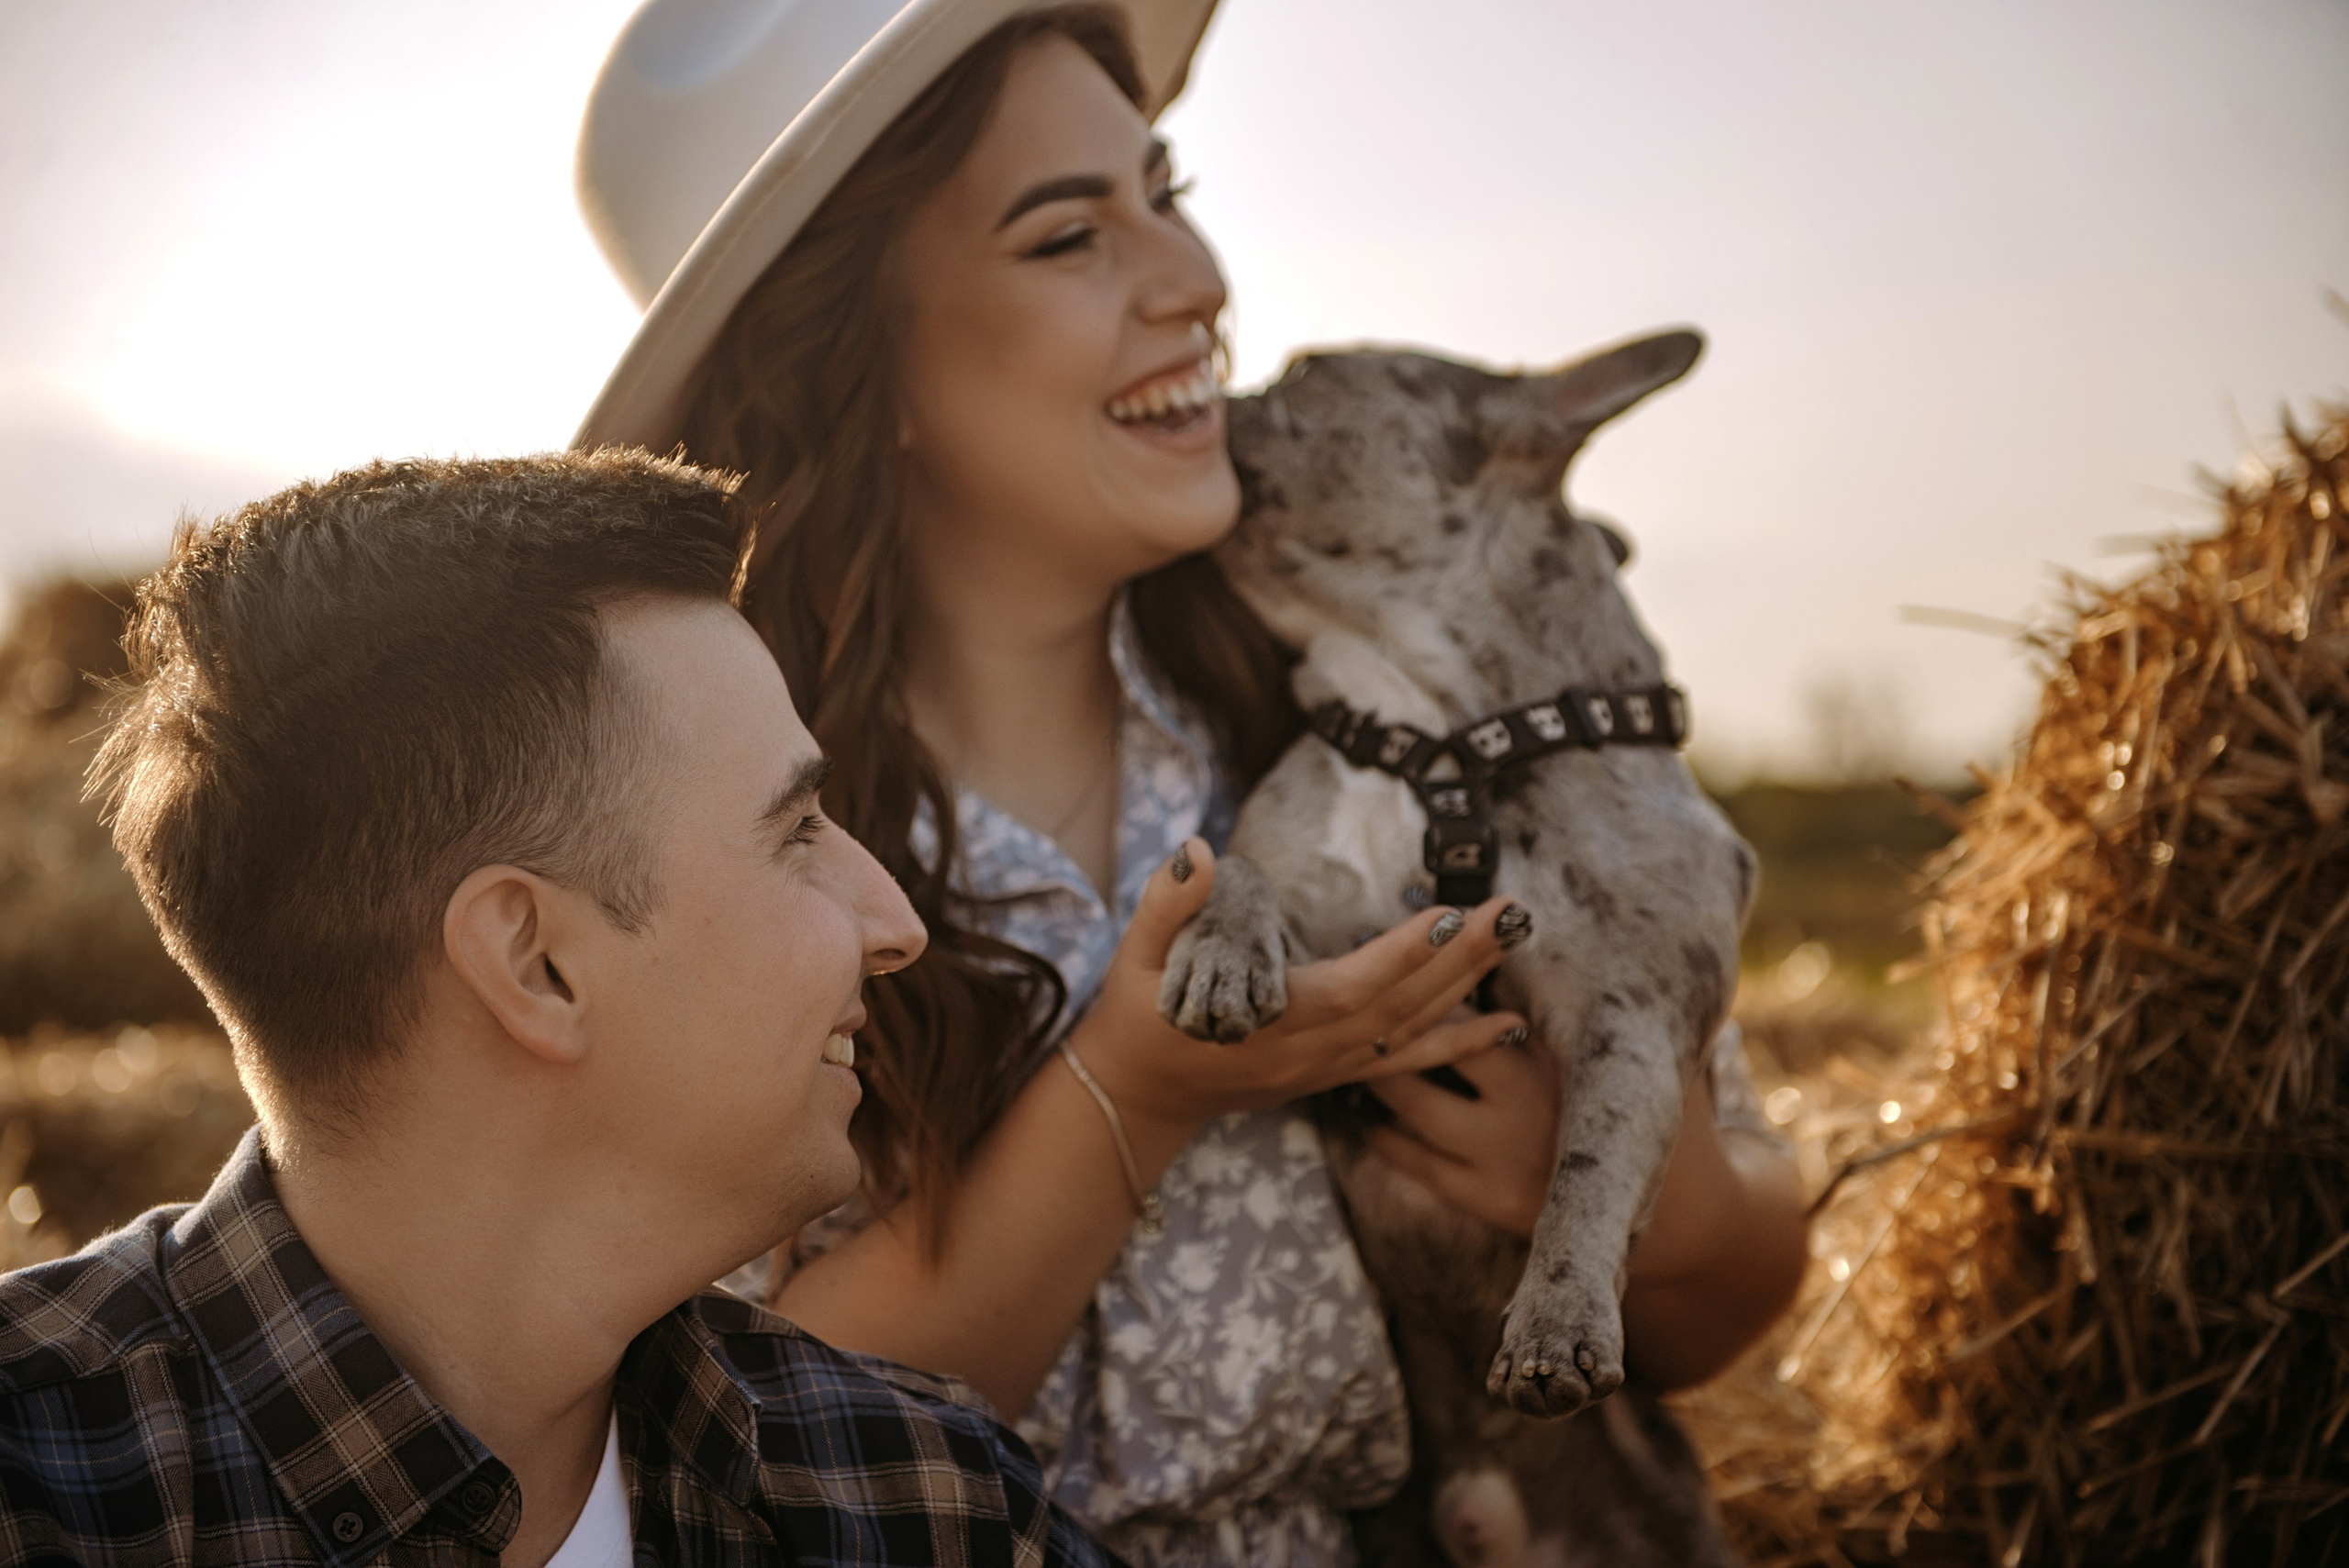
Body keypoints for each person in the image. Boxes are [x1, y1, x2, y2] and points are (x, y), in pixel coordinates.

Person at [573, 3, 1809, 1562]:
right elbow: (738, 1454)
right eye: (1070, 234)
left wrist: (1640, 1191)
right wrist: (1136, 1093)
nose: (1198, 281)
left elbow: (1742, 1279)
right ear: (859, 364)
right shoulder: (704, 835)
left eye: (1169, 193)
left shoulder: (1403, 705)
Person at [0, 451, 1121, 1568]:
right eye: (796, 832)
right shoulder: (39, 1487)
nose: (895, 924)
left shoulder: (923, 1503)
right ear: (535, 963)